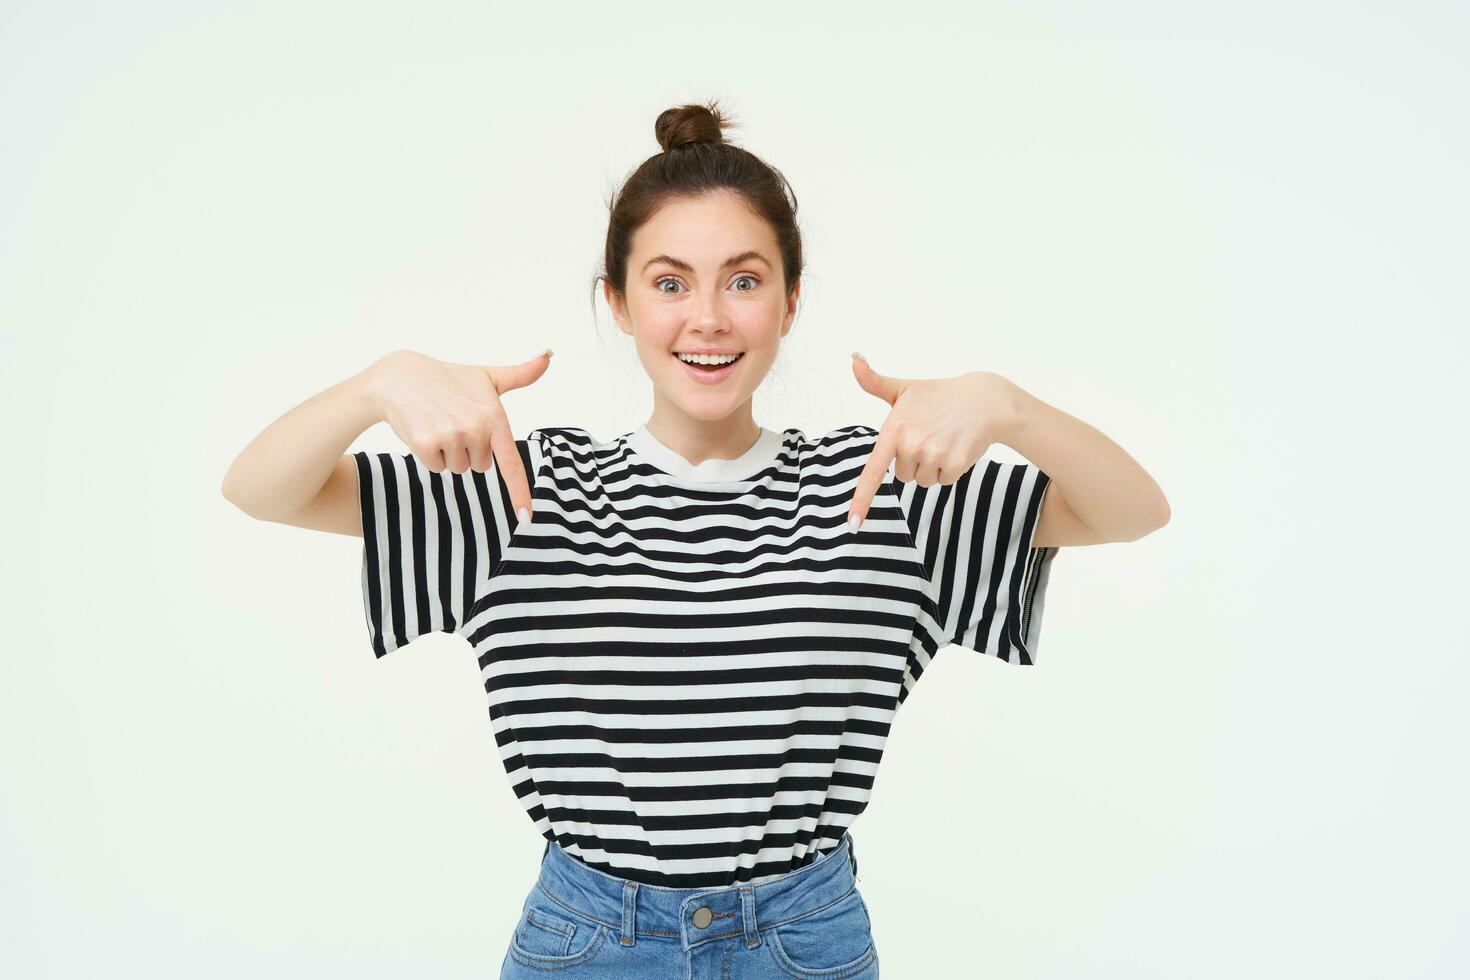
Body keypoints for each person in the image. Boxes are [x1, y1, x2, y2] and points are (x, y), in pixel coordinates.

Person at [221, 99, 1170, 979]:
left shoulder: (882, 487)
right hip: (590, 941)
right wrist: (376, 386)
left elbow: (1131, 511)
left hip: (804, 938)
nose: (708, 318)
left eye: (744, 280)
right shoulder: (519, 488)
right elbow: (262, 488)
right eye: (669, 282)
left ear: (791, 301)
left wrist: (1007, 406)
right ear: (620, 304)